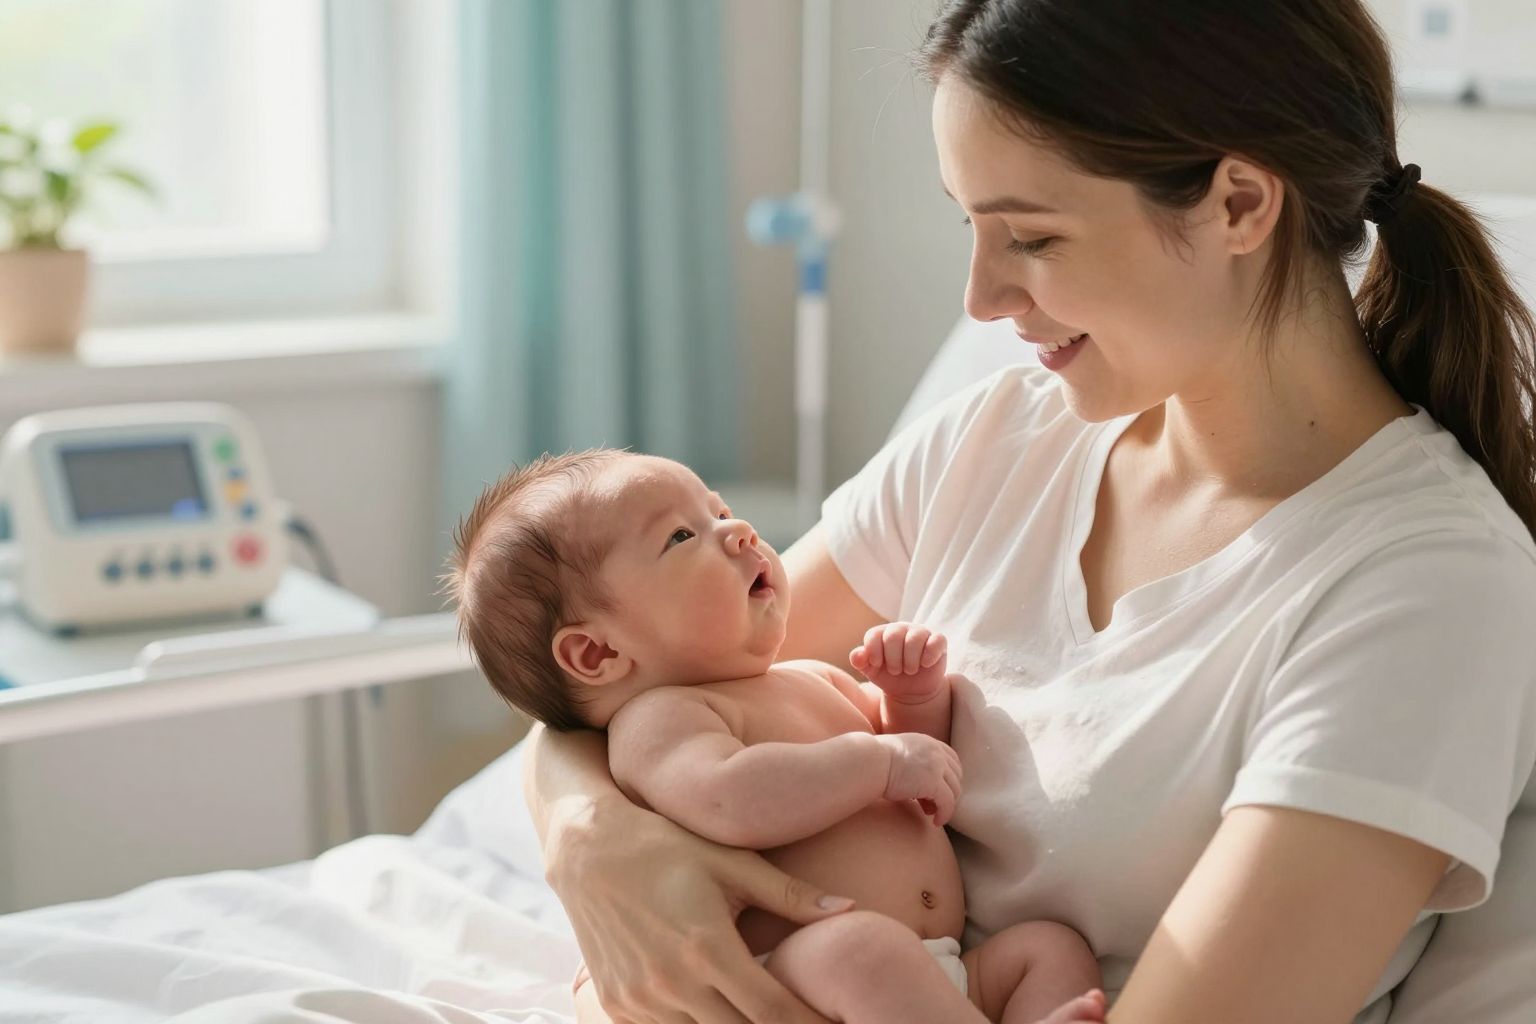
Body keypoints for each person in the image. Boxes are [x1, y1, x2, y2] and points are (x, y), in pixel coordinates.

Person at [521, 1, 1536, 1021]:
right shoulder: (996, 439)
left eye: (1032, 237)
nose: (980, 296)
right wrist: (592, 844)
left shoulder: (1426, 588)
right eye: (971, 227)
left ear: (1238, 205)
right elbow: (652, 670)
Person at [442, 448, 1110, 1023]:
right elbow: (730, 800)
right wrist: (874, 761)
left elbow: (917, 771)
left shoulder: (810, 678)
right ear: (597, 656)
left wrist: (913, 701)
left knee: (1047, 949)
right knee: (863, 951)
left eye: (721, 512)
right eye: (680, 537)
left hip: (933, 973)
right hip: (795, 980)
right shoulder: (663, 720)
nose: (737, 533)